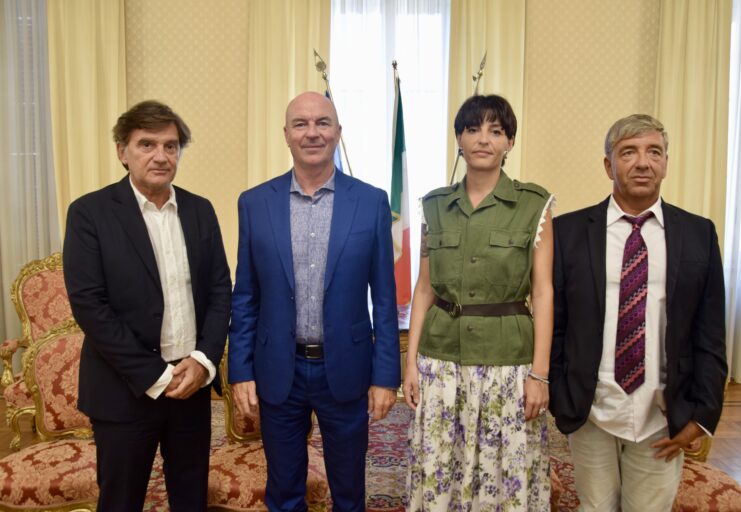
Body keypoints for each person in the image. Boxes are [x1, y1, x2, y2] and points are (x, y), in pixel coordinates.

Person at [228, 91, 400, 512]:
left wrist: (385, 377)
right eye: (301, 124)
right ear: (286, 134)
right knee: (284, 490)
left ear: (338, 132)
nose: (312, 133)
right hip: (278, 370)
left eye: (322, 122)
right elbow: (246, 296)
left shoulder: (371, 202)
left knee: (348, 492)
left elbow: (385, 297)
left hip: (346, 368)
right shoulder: (254, 203)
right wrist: (240, 370)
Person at [549, 114, 728, 511]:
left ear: (666, 163)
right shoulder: (568, 232)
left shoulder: (699, 234)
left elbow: (711, 333)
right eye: (628, 152)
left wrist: (702, 416)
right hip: (592, 411)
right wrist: (560, 396)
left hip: (662, 415)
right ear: (608, 165)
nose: (643, 163)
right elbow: (556, 324)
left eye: (654, 152)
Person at [62, 100, 232, 512]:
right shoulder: (90, 213)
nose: (161, 156)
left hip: (191, 386)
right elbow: (90, 305)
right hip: (124, 391)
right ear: (123, 152)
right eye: (147, 145)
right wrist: (155, 375)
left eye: (171, 146)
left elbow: (220, 291)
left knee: (190, 499)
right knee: (121, 501)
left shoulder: (200, 209)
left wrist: (203, 360)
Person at [403, 94, 554, 511]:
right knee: (440, 464)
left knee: (502, 472)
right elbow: (424, 288)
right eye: (473, 129)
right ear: (459, 139)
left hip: (507, 363)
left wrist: (540, 375)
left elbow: (543, 292)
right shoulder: (434, 206)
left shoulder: (534, 205)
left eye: (496, 131)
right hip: (441, 359)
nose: (483, 139)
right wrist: (410, 361)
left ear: (510, 143)